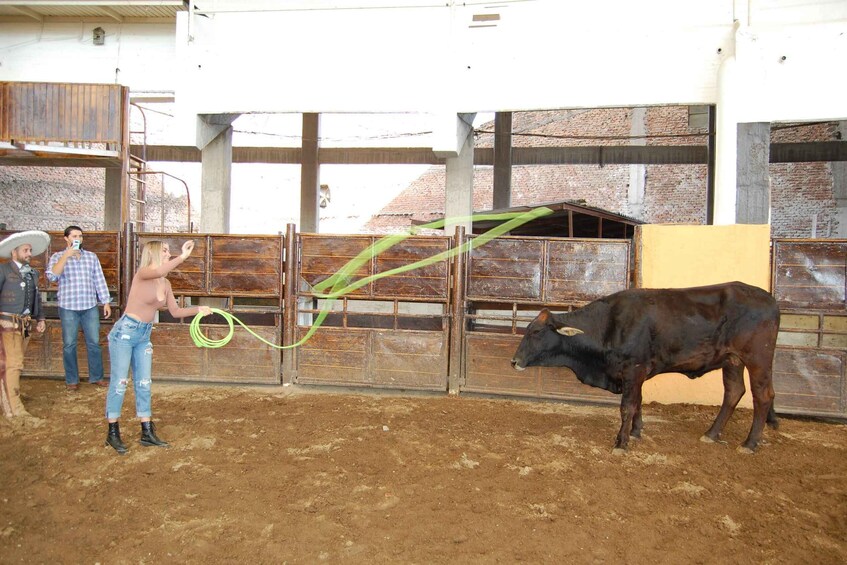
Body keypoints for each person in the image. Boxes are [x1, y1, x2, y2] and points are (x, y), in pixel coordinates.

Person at [105, 239, 211, 455]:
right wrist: (182, 257)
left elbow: (175, 312)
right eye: (164, 251)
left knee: (144, 382)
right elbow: (162, 269)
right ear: (152, 253)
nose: (168, 254)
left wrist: (199, 309)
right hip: (125, 332)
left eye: (169, 252)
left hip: (143, 334)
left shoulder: (165, 283)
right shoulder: (143, 273)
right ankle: (112, 432)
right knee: (120, 382)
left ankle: (146, 430)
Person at [46, 225, 112, 391]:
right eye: (74, 236)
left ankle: (96, 376)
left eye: (80, 236)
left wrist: (105, 301)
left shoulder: (91, 257)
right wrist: (66, 257)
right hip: (68, 306)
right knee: (69, 344)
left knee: (94, 342)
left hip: (89, 306)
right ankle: (72, 380)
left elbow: (99, 279)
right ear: (66, 238)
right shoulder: (57, 256)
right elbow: (52, 276)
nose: (78, 239)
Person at [0, 230, 49, 422]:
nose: (30, 253)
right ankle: (15, 410)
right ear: (14, 252)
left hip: (23, 325)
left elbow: (36, 298)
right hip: (7, 323)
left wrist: (41, 318)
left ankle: (9, 403)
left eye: (30, 250)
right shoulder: (4, 270)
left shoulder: (32, 274)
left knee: (10, 364)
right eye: (26, 250)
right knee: (13, 364)